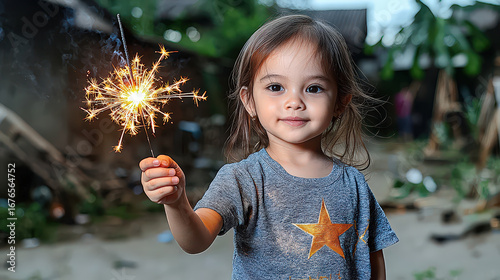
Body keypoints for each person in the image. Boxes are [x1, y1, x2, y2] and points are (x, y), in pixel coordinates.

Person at [140, 14, 398, 279]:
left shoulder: (353, 183)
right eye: (276, 87)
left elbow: (372, 260)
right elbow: (195, 241)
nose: (294, 101)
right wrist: (176, 203)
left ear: (340, 102)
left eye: (314, 88)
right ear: (249, 100)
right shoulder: (242, 180)